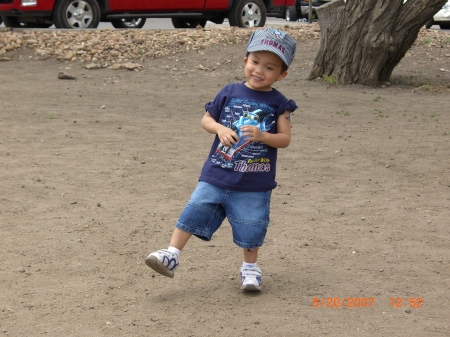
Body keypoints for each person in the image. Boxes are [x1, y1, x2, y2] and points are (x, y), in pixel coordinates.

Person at [145, 28, 297, 292]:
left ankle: (250, 268)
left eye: (270, 67)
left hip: (254, 180)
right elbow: (207, 119)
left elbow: (285, 139)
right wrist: (219, 129)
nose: (259, 70)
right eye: (255, 62)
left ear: (282, 74)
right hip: (217, 173)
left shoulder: (279, 103)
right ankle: (171, 254)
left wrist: (263, 136)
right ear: (245, 60)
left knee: (252, 224)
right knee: (195, 209)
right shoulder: (229, 91)